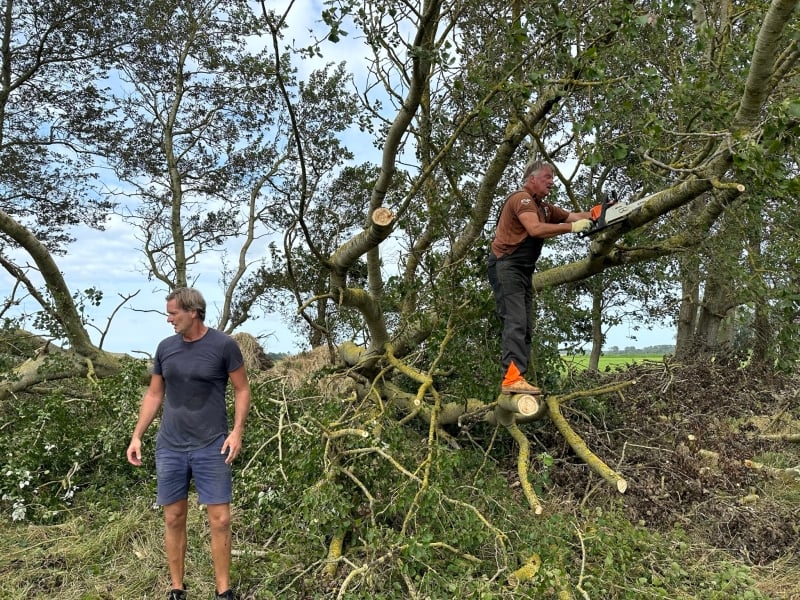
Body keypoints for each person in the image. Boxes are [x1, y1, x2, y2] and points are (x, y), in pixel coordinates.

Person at [126, 287, 251, 600]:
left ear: (193, 311)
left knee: (221, 519)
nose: (169, 319)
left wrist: (236, 431)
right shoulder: (166, 348)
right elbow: (155, 393)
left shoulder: (223, 345)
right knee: (174, 517)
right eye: (169, 313)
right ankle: (177, 589)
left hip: (212, 445)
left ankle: (224, 591)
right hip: (171, 446)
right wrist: (137, 434)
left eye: (173, 313)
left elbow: (241, 390)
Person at [487, 160, 594, 395]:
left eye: (553, 178)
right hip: (506, 265)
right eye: (547, 177)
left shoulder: (544, 208)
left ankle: (518, 377)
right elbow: (534, 229)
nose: (552, 182)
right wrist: (572, 229)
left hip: (523, 271)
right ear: (532, 179)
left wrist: (598, 213)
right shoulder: (521, 199)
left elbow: (574, 215)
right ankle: (511, 379)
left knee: (525, 325)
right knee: (515, 321)